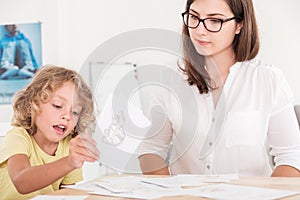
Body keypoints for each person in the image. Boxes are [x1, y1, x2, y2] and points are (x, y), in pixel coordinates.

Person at [139, 0, 300, 177]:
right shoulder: (169, 78)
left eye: (215, 21)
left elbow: (291, 156)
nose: (200, 30)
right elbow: (152, 149)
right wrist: (170, 192)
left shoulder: (268, 79)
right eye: (194, 17)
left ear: (240, 24)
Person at [0, 65, 100, 199]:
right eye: (58, 106)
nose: (67, 116)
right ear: (31, 106)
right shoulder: (18, 137)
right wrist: (69, 162)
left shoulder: (68, 146)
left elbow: (67, 195)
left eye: (75, 112)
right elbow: (21, 181)